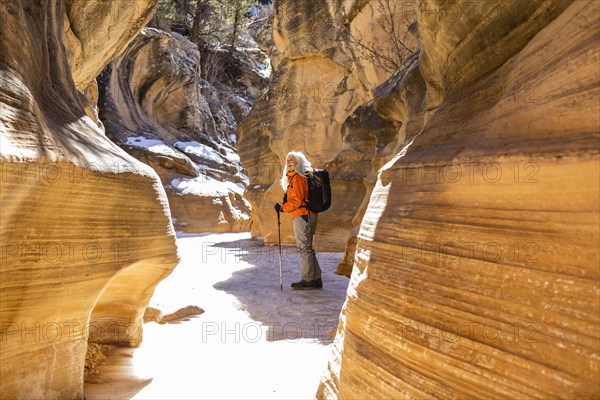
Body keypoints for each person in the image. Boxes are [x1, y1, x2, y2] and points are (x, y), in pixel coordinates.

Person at [274, 151, 322, 290]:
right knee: (308, 248)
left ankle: (308, 280)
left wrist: (283, 208)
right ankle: (316, 278)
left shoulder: (298, 178)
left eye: (292, 160)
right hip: (309, 214)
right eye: (287, 160)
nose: (288, 162)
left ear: (298, 163)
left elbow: (296, 201)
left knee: (304, 248)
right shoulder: (303, 177)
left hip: (302, 215)